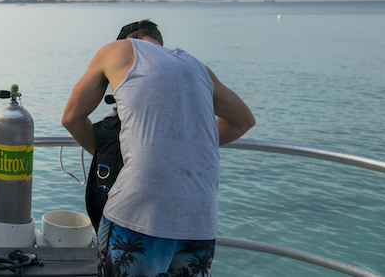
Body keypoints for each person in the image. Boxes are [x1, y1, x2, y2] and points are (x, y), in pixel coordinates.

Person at [61, 19, 255, 277]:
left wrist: (112, 153)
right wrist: (185, 143)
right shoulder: (198, 68)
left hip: (139, 212)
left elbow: (71, 117)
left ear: (126, 40)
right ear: (159, 43)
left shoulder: (116, 50)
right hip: (201, 218)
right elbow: (244, 121)